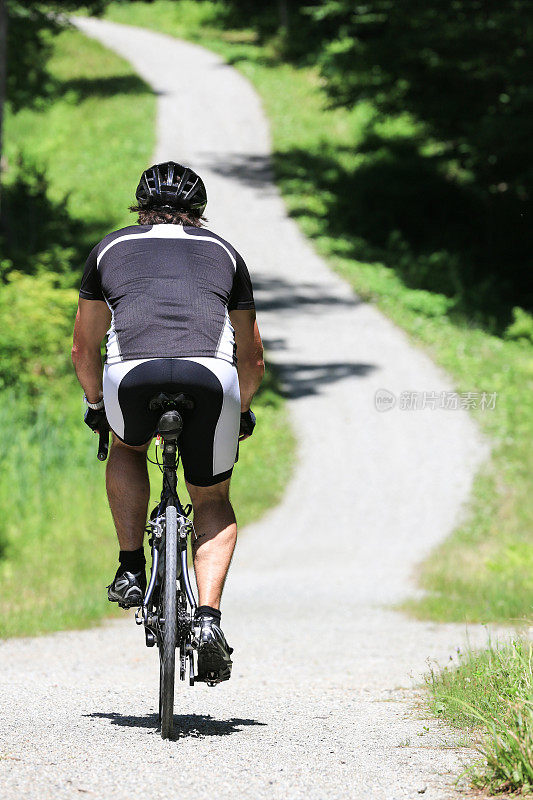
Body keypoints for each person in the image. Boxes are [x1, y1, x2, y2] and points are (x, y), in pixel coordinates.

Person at [71, 161, 264, 684]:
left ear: (140, 208)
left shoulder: (109, 249)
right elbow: (252, 358)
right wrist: (241, 411)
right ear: (198, 213)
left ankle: (131, 565)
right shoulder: (225, 252)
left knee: (127, 448)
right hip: (210, 377)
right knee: (213, 497)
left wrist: (95, 404)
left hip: (133, 375)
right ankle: (206, 619)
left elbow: (84, 347)